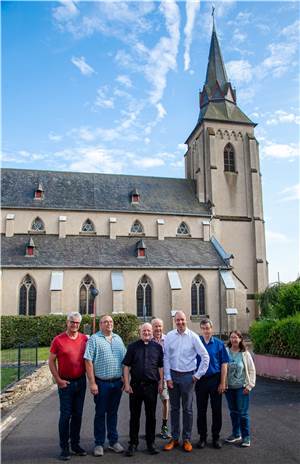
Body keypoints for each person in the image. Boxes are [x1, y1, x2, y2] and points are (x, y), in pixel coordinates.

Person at [163, 311, 209, 452]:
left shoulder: (193, 337)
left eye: (182, 320)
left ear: (186, 320)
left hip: (188, 377)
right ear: (174, 321)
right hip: (173, 377)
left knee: (187, 409)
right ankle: (175, 438)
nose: (180, 322)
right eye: (177, 320)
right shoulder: (169, 336)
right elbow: (166, 358)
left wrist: (197, 375)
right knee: (175, 409)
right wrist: (168, 378)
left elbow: (205, 356)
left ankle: (187, 439)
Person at [84, 314, 126, 457]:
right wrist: (92, 383)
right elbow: (88, 361)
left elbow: (125, 360)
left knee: (113, 413)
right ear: (100, 324)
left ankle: (113, 442)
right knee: (100, 413)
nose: (108, 324)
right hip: (101, 383)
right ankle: (99, 443)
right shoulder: (94, 340)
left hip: (117, 382)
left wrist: (125, 381)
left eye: (110, 322)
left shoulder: (118, 339)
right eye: (105, 322)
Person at [49, 312, 88, 461]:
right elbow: (51, 361)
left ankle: (76, 445)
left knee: (78, 415)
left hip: (81, 382)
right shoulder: (58, 340)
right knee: (66, 416)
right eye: (72, 322)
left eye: (77, 323)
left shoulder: (84, 339)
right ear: (67, 322)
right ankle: (64, 448)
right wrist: (58, 379)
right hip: (65, 383)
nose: (75, 325)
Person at [123, 323, 164, 457]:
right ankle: (133, 443)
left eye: (148, 330)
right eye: (144, 330)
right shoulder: (132, 347)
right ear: (139, 332)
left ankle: (150, 443)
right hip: (135, 387)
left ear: (152, 332)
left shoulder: (158, 347)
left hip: (151, 387)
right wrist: (127, 384)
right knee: (134, 416)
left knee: (151, 416)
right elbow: (126, 366)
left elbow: (160, 367)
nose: (146, 332)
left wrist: (161, 382)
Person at [195, 318, 229, 450]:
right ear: (201, 329)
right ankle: (202, 437)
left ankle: (216, 437)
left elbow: (224, 364)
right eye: (203, 328)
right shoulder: (197, 343)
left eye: (207, 328)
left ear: (211, 328)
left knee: (216, 410)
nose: (206, 331)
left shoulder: (219, 344)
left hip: (215, 380)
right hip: (201, 381)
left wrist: (222, 382)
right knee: (201, 411)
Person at [225, 330, 256, 447]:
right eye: (232, 337)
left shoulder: (245, 354)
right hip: (229, 388)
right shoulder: (226, 352)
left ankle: (246, 437)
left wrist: (250, 385)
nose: (234, 340)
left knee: (242, 413)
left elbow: (252, 370)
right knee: (233, 412)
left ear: (240, 339)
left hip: (241, 388)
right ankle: (236, 434)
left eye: (236, 338)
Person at [151, 318, 171, 439]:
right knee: (150, 403)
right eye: (156, 327)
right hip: (151, 376)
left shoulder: (168, 340)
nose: (158, 329)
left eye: (160, 326)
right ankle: (150, 428)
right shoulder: (148, 339)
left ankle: (164, 427)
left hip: (164, 376)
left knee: (165, 400)